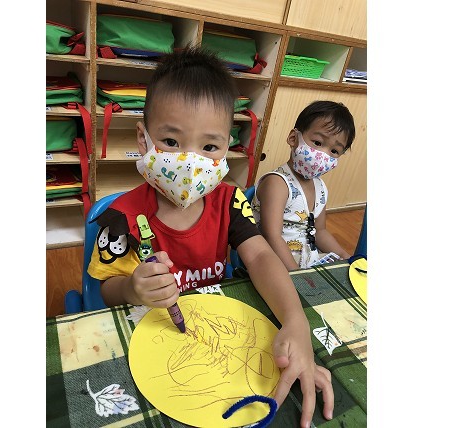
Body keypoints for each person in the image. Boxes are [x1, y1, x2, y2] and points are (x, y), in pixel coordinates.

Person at [87, 46, 334, 426]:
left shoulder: (229, 201)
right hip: (154, 341)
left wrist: (295, 321)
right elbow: (106, 291)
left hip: (220, 339)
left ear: (226, 148)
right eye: (171, 142)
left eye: (208, 147)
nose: (190, 161)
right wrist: (133, 289)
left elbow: (261, 256)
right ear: (143, 139)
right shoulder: (123, 217)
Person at [251, 101, 356, 271]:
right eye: (318, 143)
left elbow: (320, 231)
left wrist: (344, 256)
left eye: (334, 151)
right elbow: (272, 236)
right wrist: (297, 275)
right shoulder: (277, 183)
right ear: (294, 138)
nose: (323, 155)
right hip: (273, 263)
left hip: (306, 261)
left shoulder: (320, 188)